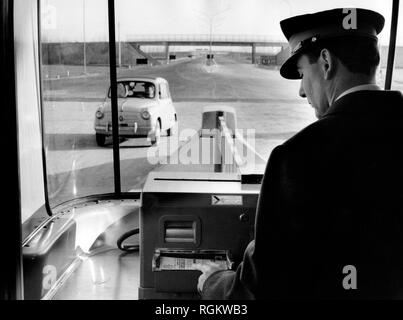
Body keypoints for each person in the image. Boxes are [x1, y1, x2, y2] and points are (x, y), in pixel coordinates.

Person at [195, 8, 403, 299]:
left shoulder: (297, 157)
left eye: (303, 73)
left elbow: (261, 289)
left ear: (327, 63)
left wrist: (215, 282)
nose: (302, 93)